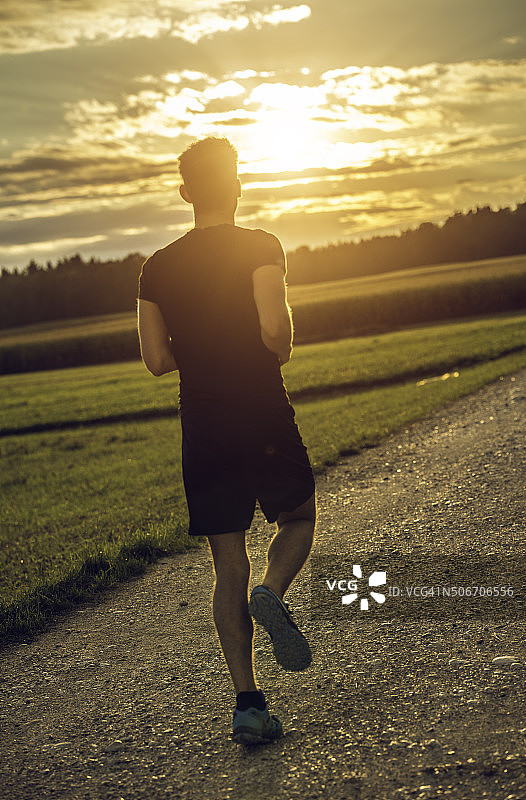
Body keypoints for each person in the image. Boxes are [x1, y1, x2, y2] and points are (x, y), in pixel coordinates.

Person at [137, 136, 316, 745]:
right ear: (237, 186)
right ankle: (273, 591)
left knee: (226, 561)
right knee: (297, 516)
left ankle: (248, 705)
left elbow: (157, 359)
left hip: (204, 422)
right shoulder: (261, 246)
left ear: (185, 192)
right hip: (262, 409)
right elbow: (274, 328)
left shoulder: (156, 268)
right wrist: (278, 351)